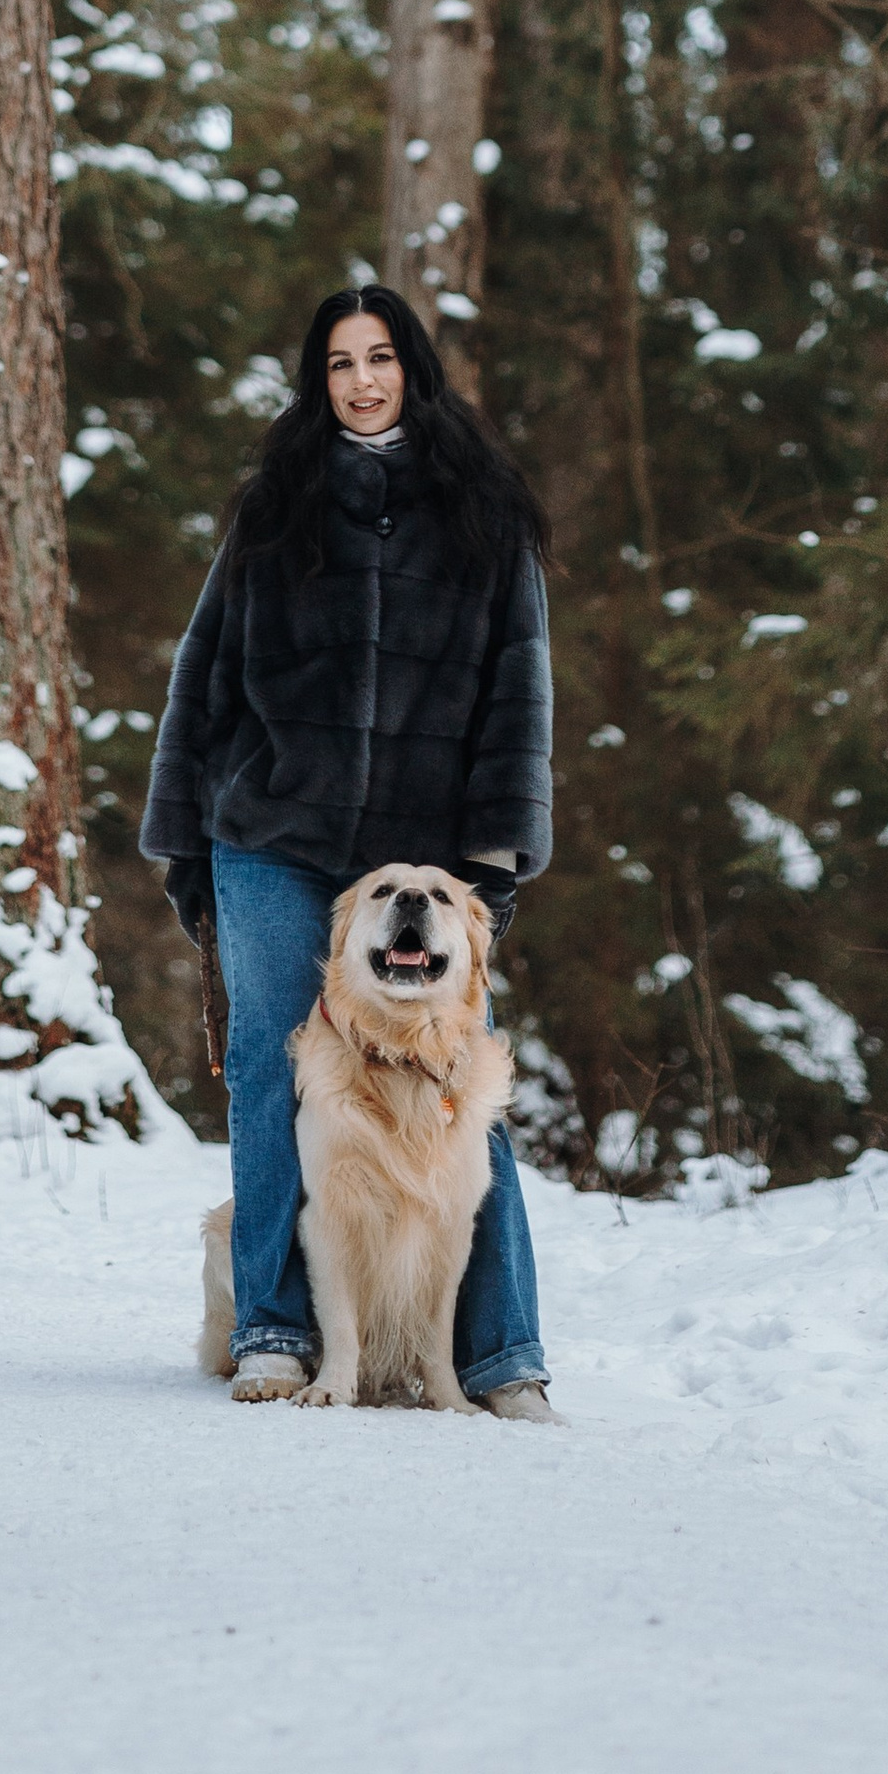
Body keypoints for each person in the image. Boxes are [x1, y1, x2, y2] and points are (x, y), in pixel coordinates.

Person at [140, 284, 557, 1417]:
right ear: (314, 381)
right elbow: (205, 673)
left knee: (455, 1083)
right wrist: (186, 834)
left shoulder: (485, 515)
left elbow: (520, 691)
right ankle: (274, 1331)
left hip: (420, 865)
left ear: (414, 371)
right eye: (338, 364)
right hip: (272, 834)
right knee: (278, 1076)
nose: (361, 382)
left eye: (379, 359)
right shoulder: (274, 509)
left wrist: (496, 852)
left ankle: (498, 1357)